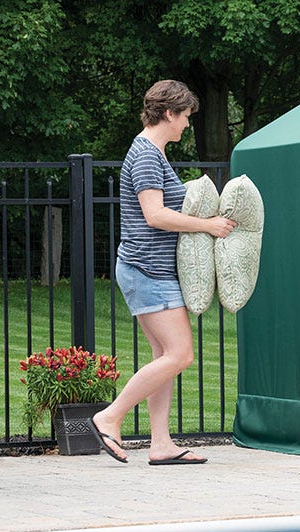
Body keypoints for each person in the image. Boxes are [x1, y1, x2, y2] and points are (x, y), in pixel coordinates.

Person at [89, 79, 235, 465]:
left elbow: (164, 201)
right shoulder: (147, 156)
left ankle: (161, 444)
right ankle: (109, 416)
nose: (187, 124)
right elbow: (155, 215)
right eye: (185, 116)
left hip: (145, 269)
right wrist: (208, 225)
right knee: (181, 354)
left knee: (163, 354)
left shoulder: (151, 154)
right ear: (169, 113)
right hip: (148, 270)